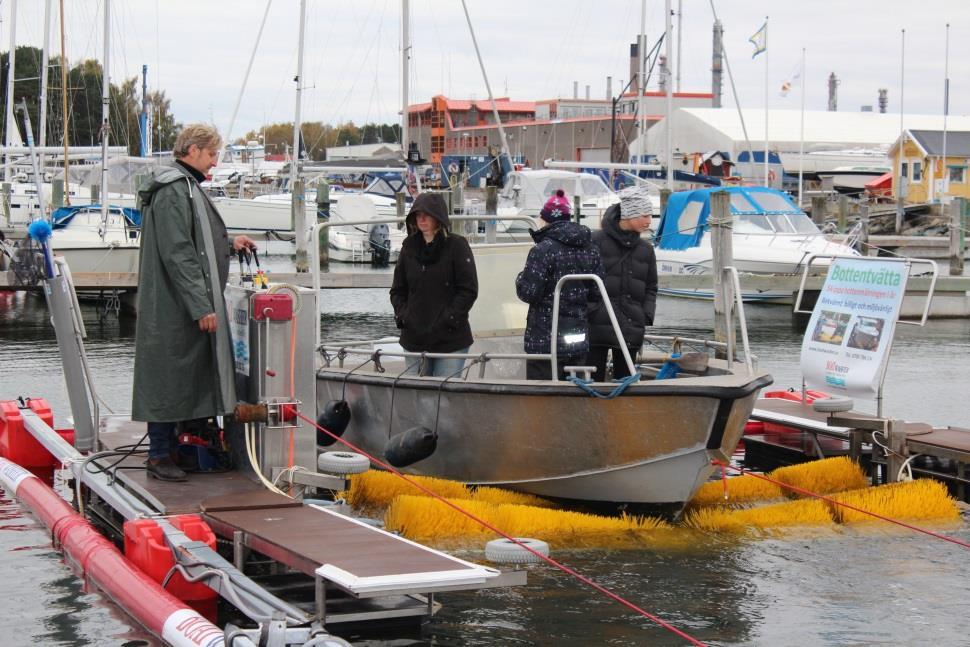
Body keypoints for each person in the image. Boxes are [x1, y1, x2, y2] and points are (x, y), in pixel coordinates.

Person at [131, 124, 257, 482]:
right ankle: (159, 455)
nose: (215, 160)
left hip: (181, 304)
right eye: (212, 153)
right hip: (175, 307)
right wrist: (201, 305)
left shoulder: (183, 186)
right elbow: (180, 253)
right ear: (192, 150)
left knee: (184, 376)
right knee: (168, 378)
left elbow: (195, 241)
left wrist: (230, 244)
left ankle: (177, 448)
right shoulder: (174, 189)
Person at [515, 189, 603, 380]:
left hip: (544, 341)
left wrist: (520, 278)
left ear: (544, 219)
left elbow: (528, 292)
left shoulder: (542, 250)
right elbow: (597, 295)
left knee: (542, 400)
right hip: (577, 340)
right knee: (575, 393)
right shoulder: (591, 249)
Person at [390, 192, 479, 377]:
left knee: (445, 397)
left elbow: (468, 290)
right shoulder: (408, 248)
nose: (421, 218)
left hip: (450, 339)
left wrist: (449, 318)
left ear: (438, 217)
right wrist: (404, 316)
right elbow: (398, 290)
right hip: (414, 338)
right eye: (417, 214)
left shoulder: (457, 246)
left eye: (427, 214)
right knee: (416, 396)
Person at [587, 185, 658, 382]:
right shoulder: (594, 241)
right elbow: (581, 280)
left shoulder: (646, 249)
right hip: (596, 324)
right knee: (592, 381)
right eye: (644, 215)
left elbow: (651, 287)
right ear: (628, 214)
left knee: (626, 383)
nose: (648, 221)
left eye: (650, 216)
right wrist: (590, 309)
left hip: (631, 325)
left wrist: (645, 315)